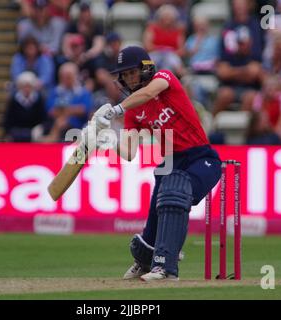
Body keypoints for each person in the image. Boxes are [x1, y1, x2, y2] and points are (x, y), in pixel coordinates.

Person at [90, 46, 222, 281]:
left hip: (202, 158)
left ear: (146, 69)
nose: (129, 78)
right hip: (171, 162)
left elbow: (149, 93)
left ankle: (166, 267)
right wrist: (106, 139)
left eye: (132, 72)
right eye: (125, 75)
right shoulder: (133, 111)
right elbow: (129, 152)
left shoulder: (164, 78)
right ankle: (145, 261)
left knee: (174, 189)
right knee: (161, 200)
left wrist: (116, 110)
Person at [3, 72, 49, 142]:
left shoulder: (39, 99)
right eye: (24, 86)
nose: (27, 89)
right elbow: (7, 120)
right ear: (20, 87)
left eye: (29, 86)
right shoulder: (14, 100)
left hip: (34, 133)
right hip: (17, 132)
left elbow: (44, 119)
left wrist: (40, 128)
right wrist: (8, 133)